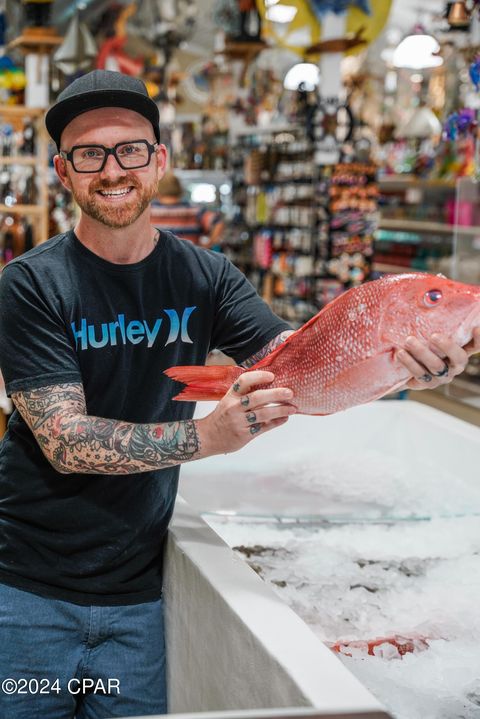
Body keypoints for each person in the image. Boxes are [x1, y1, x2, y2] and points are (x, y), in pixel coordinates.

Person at [0, 69, 477, 719]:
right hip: (27, 597)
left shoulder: (205, 274)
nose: (113, 169)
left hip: (139, 597)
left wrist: (406, 365)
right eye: (89, 153)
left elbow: (301, 359)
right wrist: (207, 435)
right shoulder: (29, 284)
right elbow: (66, 441)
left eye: (131, 149)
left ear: (159, 160)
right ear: (63, 170)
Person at [150, 170, 225, 249]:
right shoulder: (195, 210)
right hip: (189, 259)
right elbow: (218, 223)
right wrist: (207, 246)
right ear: (179, 188)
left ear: (158, 188)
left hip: (158, 260)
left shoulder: (150, 211)